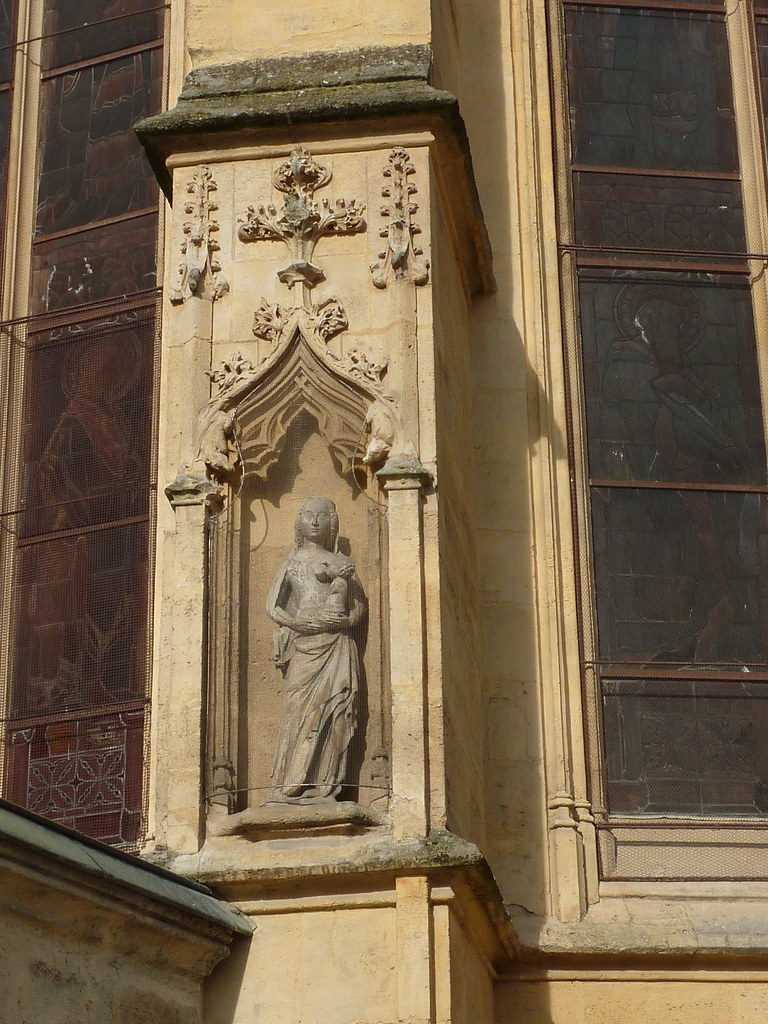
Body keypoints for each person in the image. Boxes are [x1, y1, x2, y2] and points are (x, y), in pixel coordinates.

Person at [265, 497, 365, 803]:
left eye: (322, 516)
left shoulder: (342, 564)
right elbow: (272, 605)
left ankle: (327, 781)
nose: (316, 521)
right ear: (299, 522)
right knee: (296, 710)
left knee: (337, 709)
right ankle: (291, 780)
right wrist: (299, 624)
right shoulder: (292, 562)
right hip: (306, 645)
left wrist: (345, 620)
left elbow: (359, 605)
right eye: (309, 515)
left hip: (336, 644)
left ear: (331, 523)